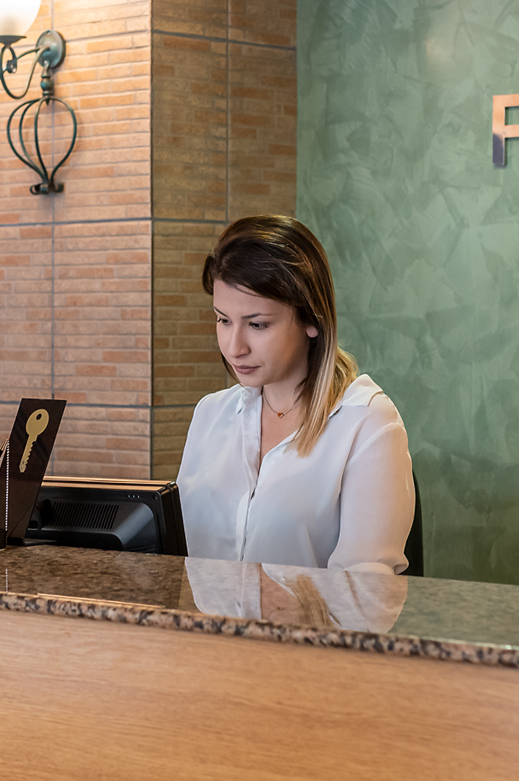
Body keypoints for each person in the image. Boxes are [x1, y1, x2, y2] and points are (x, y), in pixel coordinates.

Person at [176, 215, 415, 573]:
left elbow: (368, 590)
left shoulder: (367, 422)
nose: (234, 347)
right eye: (223, 320)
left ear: (311, 319)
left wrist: (287, 596)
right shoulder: (210, 414)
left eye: (257, 324)